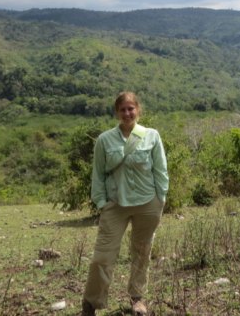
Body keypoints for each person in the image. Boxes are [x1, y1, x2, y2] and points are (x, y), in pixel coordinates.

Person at [81, 91, 169, 316]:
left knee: (142, 251)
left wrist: (161, 198)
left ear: (138, 109)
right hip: (115, 205)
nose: (127, 113)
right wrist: (102, 203)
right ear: (117, 112)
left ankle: (137, 299)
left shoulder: (151, 135)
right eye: (123, 109)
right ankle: (91, 302)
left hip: (148, 203)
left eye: (131, 108)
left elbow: (160, 170)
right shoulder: (105, 140)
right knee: (103, 255)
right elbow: (98, 175)